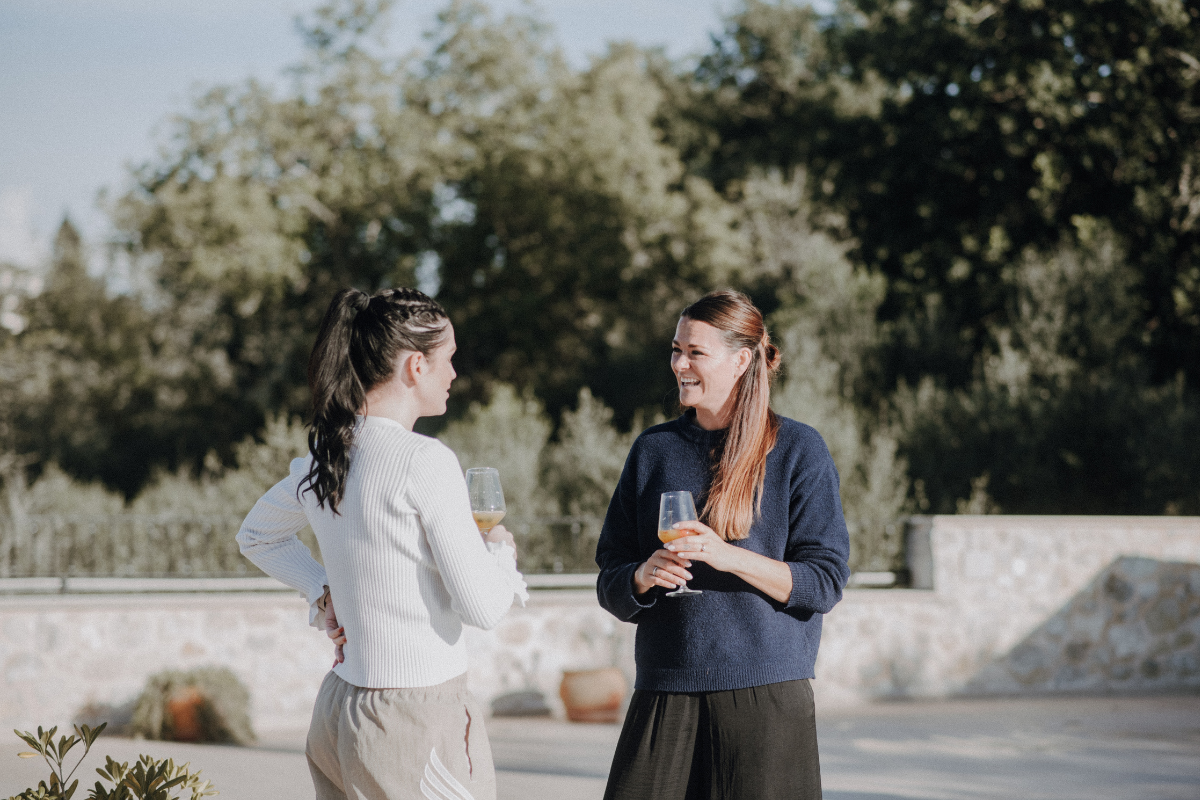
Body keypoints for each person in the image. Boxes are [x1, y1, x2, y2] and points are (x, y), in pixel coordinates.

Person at [237, 287, 528, 800]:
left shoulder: (327, 454)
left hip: (339, 712)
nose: (455, 374)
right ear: (416, 366)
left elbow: (257, 536)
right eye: (449, 359)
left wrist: (319, 589)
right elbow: (483, 607)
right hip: (415, 721)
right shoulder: (424, 460)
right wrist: (501, 553)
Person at [595, 289, 850, 800]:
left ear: (740, 361)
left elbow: (823, 583)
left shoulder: (799, 450)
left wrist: (724, 555)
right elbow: (611, 576)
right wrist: (642, 577)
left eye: (695, 352)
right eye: (675, 349)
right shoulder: (653, 449)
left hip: (766, 695)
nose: (679, 364)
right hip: (665, 687)